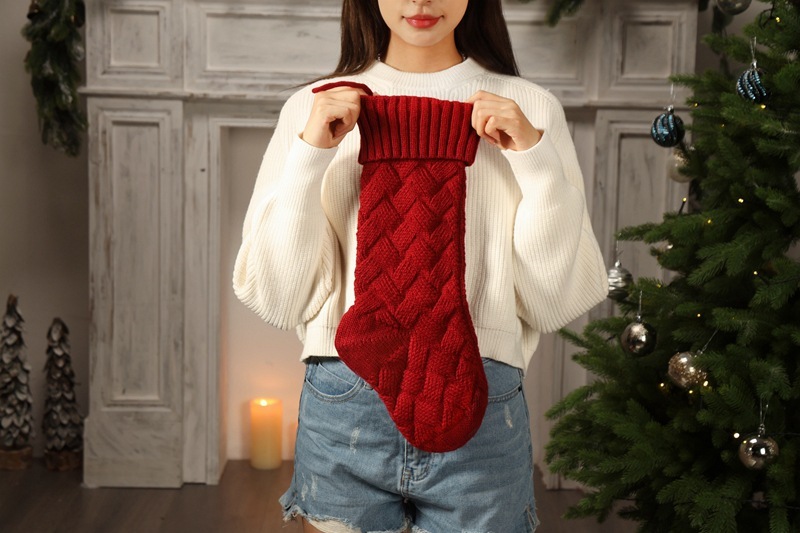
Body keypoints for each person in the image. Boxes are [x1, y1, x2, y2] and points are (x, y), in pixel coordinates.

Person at [232, 0, 608, 531]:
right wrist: (310, 155)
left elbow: (553, 301)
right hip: (344, 401)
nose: (421, 0)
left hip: (479, 397)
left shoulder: (529, 108)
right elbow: (277, 296)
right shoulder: (312, 107)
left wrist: (536, 164)